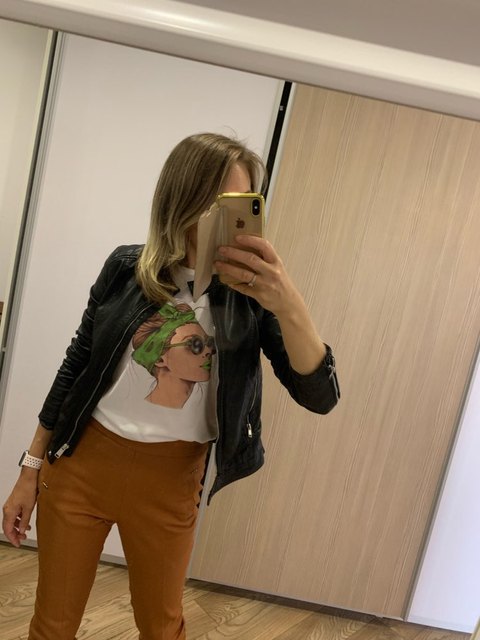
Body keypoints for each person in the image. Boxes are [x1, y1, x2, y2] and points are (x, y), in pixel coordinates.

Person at [2, 132, 340, 640]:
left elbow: (319, 397)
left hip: (172, 480)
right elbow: (75, 367)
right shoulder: (125, 267)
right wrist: (29, 469)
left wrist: (288, 301)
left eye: (242, 204)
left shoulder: (251, 296)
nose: (229, 219)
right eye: (218, 203)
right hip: (81, 464)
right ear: (183, 200)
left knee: (162, 628)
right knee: (52, 625)